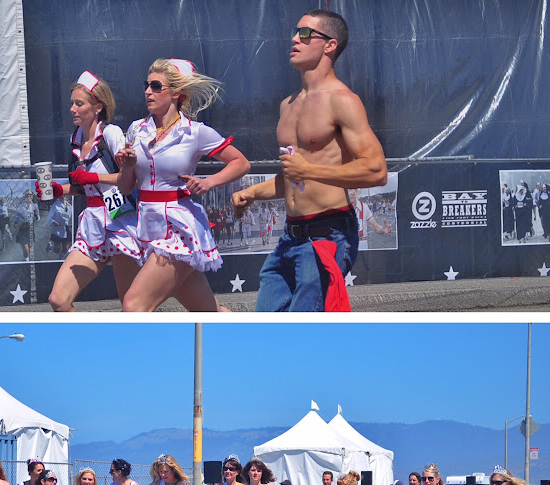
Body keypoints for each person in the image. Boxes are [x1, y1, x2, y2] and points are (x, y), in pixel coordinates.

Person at [232, 9, 387, 311]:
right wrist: (252, 193)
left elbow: (376, 169)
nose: (294, 39)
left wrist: (310, 169)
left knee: (301, 333)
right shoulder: (287, 105)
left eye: (304, 34)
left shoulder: (342, 100)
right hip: (289, 236)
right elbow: (295, 177)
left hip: (327, 235)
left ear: (330, 45)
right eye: (295, 31)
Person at [116, 58, 250, 312]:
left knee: (134, 306)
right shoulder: (136, 129)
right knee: (211, 313)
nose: (147, 91)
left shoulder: (195, 132)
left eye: (156, 86)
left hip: (179, 228)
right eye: (147, 85)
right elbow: (125, 188)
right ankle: (255, 343)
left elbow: (241, 163)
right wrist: (129, 165)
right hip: (148, 227)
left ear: (176, 93)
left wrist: (209, 182)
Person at [41, 71, 143, 311]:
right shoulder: (75, 139)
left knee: (132, 307)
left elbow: (131, 179)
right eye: (72, 104)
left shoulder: (111, 133)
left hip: (121, 220)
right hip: (93, 224)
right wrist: (59, 190)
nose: (72, 109)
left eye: (79, 103)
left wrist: (94, 176)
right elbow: (82, 187)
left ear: (97, 107)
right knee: (58, 299)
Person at [47, 194, 73, 258]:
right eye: (62, 195)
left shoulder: (70, 206)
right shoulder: (55, 206)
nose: (64, 196)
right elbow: (50, 217)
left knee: (65, 248)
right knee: (57, 250)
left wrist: (71, 224)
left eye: (65, 195)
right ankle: (50, 247)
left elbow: (71, 218)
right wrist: (54, 222)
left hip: (66, 229)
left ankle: (60, 261)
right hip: (57, 229)